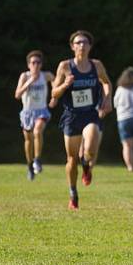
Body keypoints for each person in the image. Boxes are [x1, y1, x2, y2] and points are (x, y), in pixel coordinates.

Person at [51, 31, 113, 210]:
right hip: (71, 116)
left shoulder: (97, 66)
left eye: (85, 43)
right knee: (71, 159)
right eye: (78, 43)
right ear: (72, 46)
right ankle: (73, 193)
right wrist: (65, 84)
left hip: (90, 114)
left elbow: (106, 82)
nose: (82, 46)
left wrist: (107, 99)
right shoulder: (65, 66)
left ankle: (86, 164)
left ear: (90, 46)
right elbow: (54, 93)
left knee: (91, 147)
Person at [14, 50, 54, 181]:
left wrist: (54, 96)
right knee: (28, 140)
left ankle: (37, 159)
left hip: (41, 110)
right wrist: (29, 82)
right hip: (27, 112)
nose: (35, 65)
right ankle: (30, 165)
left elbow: (55, 80)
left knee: (37, 131)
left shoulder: (45, 76)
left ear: (41, 64)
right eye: (33, 62)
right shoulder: (24, 76)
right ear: (28, 65)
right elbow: (17, 95)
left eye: (38, 62)